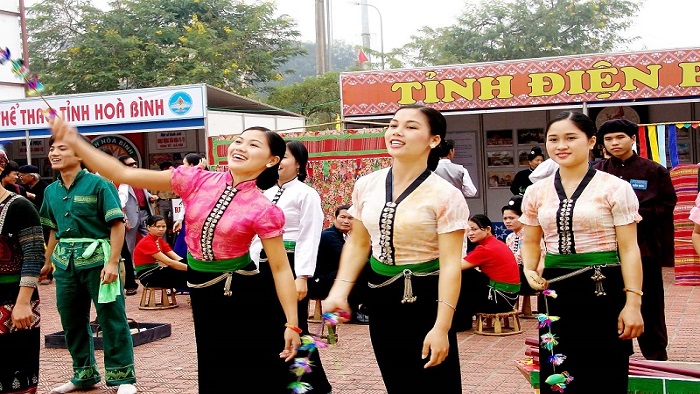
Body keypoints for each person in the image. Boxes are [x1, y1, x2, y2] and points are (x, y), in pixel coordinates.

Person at [48, 117, 301, 394]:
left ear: (271, 160)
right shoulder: (195, 179)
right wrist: (77, 144)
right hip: (202, 288)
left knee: (257, 365)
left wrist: (292, 323)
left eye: (254, 145)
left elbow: (279, 268)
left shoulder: (264, 209)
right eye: (239, 140)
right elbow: (125, 174)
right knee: (213, 360)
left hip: (243, 289)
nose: (240, 147)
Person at [323, 104, 468, 393]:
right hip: (381, 294)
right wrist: (339, 291)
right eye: (393, 125)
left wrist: (442, 327)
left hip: (427, 296)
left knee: (436, 383)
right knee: (396, 378)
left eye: (411, 126)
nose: (397, 132)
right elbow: (359, 243)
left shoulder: (446, 195)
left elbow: (451, 266)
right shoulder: (367, 184)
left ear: (434, 140)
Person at [520, 111, 644, 393]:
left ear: (590, 141)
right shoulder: (536, 192)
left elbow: (629, 247)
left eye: (570, 138)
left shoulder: (615, 188)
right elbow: (530, 240)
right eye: (553, 139)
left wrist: (633, 302)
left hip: (603, 286)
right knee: (558, 371)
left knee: (605, 369)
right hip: (554, 290)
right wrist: (529, 268)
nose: (560, 145)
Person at [39, 134, 137, 394]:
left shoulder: (99, 184)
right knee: (71, 320)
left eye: (62, 148)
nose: (54, 153)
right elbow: (52, 230)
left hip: (99, 261)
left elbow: (116, 224)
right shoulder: (50, 191)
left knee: (111, 318)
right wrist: (47, 261)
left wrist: (113, 263)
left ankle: (122, 378)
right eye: (52, 149)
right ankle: (83, 374)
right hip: (65, 265)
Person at [250, 139, 331, 393]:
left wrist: (303, 276)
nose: (279, 162)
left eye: (285, 157)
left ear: (299, 163)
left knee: (295, 325)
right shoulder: (264, 192)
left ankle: (314, 384)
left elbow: (309, 236)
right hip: (263, 265)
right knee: (268, 323)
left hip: (292, 265)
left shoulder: (307, 194)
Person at [593, 118, 675, 361]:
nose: (614, 143)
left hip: (643, 249)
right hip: (607, 251)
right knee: (611, 304)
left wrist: (634, 214)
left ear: (632, 139)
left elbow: (667, 204)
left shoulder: (653, 170)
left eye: (620, 137)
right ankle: (619, 353)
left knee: (649, 304)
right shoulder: (597, 171)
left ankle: (656, 354)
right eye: (608, 139)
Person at [0, 150, 45, 394]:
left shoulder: (21, 207)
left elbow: (33, 256)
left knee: (15, 370)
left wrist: (23, 302)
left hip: (12, 296)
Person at [453, 214, 520, 332]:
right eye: (468, 230)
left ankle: (461, 322)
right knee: (470, 275)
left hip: (498, 301)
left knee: (464, 275)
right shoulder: (497, 243)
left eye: (474, 229)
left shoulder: (485, 249)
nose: (470, 234)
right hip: (510, 298)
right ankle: (462, 320)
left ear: (488, 229)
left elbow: (455, 267)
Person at [308, 204, 370, 324]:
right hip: (320, 282)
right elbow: (349, 258)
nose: (346, 221)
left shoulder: (348, 237)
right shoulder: (329, 235)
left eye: (350, 218)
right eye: (343, 217)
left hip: (335, 277)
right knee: (361, 268)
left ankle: (366, 308)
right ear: (335, 219)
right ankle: (354, 312)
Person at [117, 156, 157, 295]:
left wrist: (151, 196)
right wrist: (124, 218)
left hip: (145, 212)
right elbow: (120, 201)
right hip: (130, 216)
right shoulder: (119, 180)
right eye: (130, 164)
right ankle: (132, 271)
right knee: (129, 245)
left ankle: (151, 266)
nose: (134, 166)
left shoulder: (139, 177)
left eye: (135, 163)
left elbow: (143, 193)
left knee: (152, 239)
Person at [133, 214, 187, 289]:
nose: (161, 229)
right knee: (186, 274)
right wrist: (192, 270)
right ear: (148, 227)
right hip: (147, 276)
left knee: (186, 265)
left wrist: (194, 265)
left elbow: (177, 258)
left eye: (163, 226)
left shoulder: (159, 240)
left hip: (156, 271)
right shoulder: (147, 242)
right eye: (157, 227)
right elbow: (169, 262)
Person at [502, 195, 544, 291]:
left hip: (531, 278)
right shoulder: (510, 237)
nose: (507, 221)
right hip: (514, 278)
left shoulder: (532, 236)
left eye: (512, 218)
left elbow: (541, 260)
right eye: (505, 218)